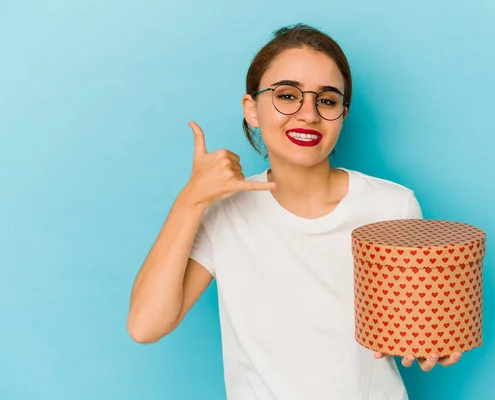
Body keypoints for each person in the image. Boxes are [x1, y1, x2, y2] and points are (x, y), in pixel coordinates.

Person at [126, 23, 463, 400]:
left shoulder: (392, 207)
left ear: (342, 114)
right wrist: (191, 199)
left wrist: (434, 340)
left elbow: (417, 326)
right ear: (251, 110)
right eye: (287, 95)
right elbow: (145, 325)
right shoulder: (225, 211)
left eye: (328, 100)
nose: (308, 114)